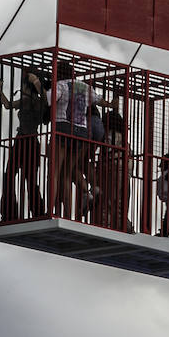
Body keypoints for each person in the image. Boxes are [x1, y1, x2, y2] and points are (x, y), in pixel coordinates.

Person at [0, 67, 48, 221]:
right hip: (33, 142)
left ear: (26, 86)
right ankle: (38, 212)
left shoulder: (26, 100)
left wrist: (0, 91)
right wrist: (36, 82)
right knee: (31, 179)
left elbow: (7, 105)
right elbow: (45, 99)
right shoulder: (39, 102)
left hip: (21, 140)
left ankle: (9, 212)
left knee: (10, 176)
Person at [50, 60, 99, 218]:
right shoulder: (85, 87)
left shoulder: (60, 85)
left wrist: (37, 84)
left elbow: (49, 100)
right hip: (81, 132)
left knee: (55, 172)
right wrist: (111, 104)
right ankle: (68, 214)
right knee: (67, 172)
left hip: (63, 128)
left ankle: (51, 210)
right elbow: (97, 99)